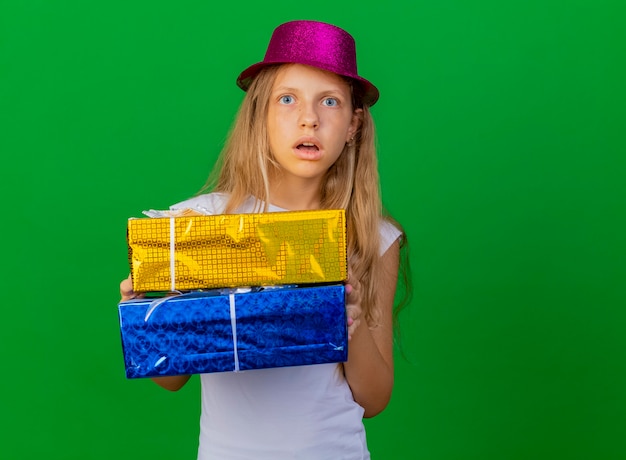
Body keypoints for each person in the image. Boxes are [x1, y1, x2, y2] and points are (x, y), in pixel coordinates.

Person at [120, 19, 410, 459]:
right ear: (261, 113)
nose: (308, 119)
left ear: (353, 125)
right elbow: (170, 377)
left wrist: (348, 321)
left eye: (328, 102)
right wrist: (147, 316)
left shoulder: (373, 236)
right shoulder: (199, 224)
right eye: (288, 99)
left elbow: (374, 400)